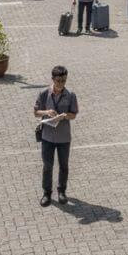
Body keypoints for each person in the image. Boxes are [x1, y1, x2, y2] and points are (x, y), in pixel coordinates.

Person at [33, 66, 79, 206]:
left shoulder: (70, 95)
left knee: (64, 165)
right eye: (58, 81)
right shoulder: (44, 93)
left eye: (64, 81)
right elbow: (36, 112)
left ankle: (61, 191)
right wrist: (46, 112)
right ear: (53, 79)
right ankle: (47, 193)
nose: (61, 84)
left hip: (64, 138)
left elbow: (73, 114)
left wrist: (65, 116)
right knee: (47, 165)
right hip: (47, 137)